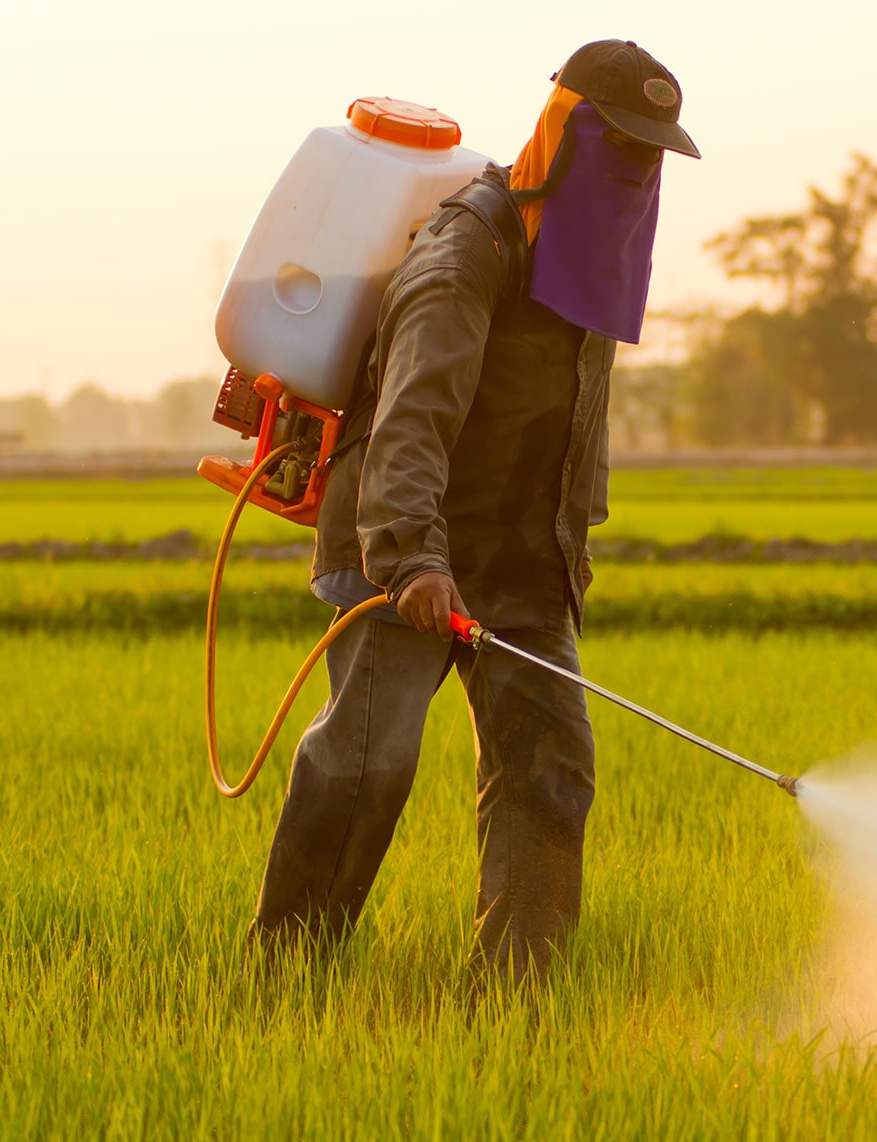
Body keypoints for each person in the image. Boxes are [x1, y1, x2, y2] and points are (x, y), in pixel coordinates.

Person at [250, 39, 700, 985]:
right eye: (619, 141)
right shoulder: (464, 256)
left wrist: (570, 545)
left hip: (519, 561)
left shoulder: (588, 264)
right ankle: (285, 974)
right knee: (369, 763)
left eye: (652, 149)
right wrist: (413, 558)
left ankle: (511, 1001)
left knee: (551, 768)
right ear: (563, 131)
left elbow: (580, 418)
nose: (636, 166)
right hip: (405, 548)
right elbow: (412, 420)